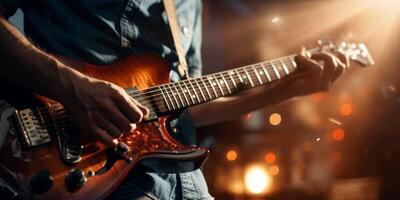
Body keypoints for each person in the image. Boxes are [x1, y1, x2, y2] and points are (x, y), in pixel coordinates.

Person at [0, 0, 347, 199]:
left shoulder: (187, 4)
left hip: (184, 186)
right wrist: (72, 87)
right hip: (81, 168)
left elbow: (186, 106)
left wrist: (287, 90)